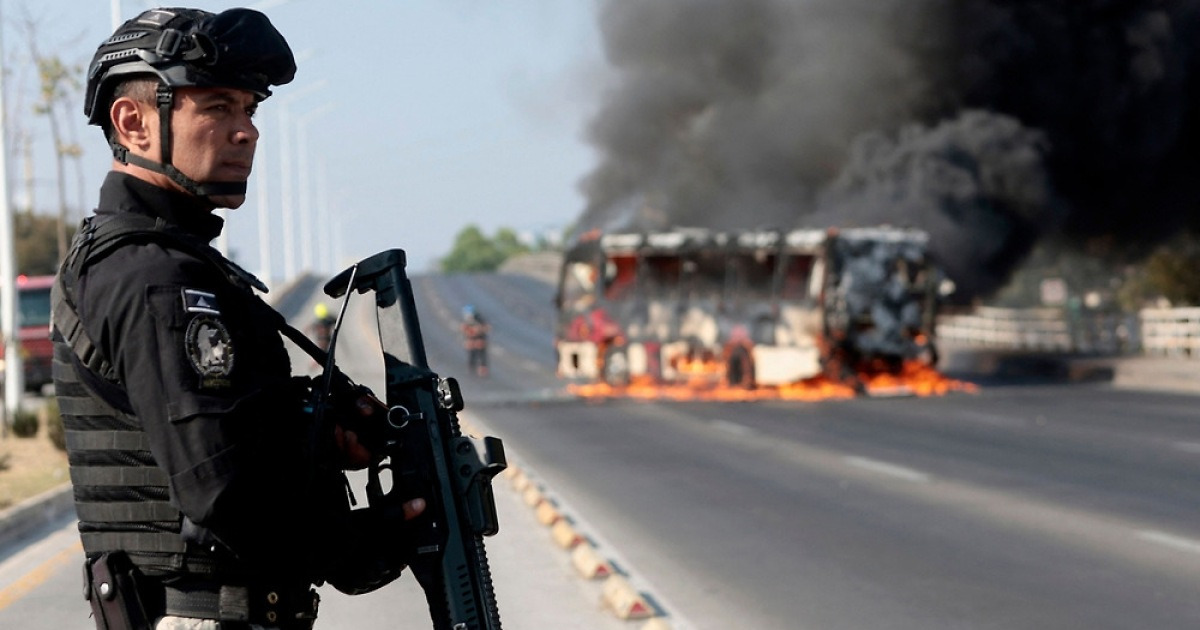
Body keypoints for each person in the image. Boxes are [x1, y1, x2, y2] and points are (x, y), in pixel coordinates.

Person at [50, 8, 421, 630]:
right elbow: (223, 493)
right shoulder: (154, 278)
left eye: (250, 110)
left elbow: (230, 438)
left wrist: (318, 429)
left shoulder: (179, 264)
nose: (246, 131)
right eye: (217, 107)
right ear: (133, 122)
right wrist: (368, 541)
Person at [461, 305, 490, 377]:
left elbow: (486, 328)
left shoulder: (479, 319)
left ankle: (483, 370)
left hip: (480, 339)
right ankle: (472, 369)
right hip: (472, 339)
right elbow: (464, 329)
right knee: (472, 354)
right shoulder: (467, 320)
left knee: (481, 354)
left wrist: (478, 331)